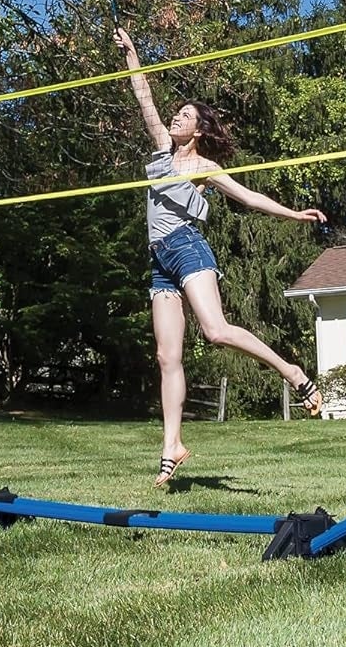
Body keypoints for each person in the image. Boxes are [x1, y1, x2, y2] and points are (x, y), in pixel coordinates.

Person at [116, 26, 325, 487]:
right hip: (159, 258)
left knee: (215, 330)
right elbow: (145, 97)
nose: (176, 117)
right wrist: (132, 53)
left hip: (188, 249)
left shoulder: (205, 168)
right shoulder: (160, 153)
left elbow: (249, 198)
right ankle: (172, 446)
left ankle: (292, 372)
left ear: (199, 129)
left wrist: (293, 214)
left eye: (185, 115)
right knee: (167, 356)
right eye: (177, 112)